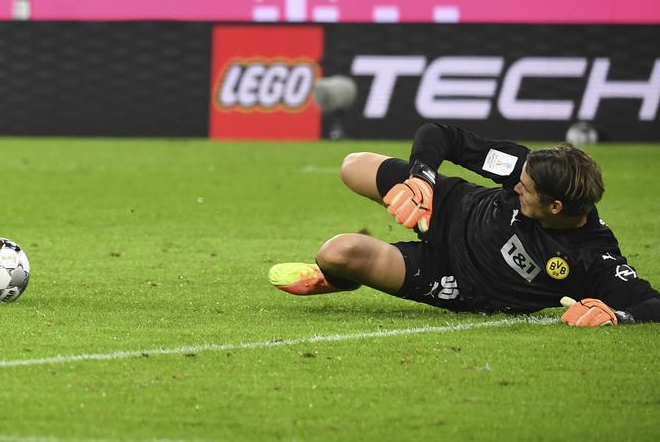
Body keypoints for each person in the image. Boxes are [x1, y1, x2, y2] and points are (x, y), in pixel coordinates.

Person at [269, 122, 660, 327]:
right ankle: (417, 197)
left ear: (555, 207)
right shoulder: (525, 167)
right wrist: (422, 179)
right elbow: (441, 135)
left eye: (525, 190)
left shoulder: (595, 258)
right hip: (451, 206)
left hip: (460, 280)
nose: (517, 187)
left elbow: (653, 304)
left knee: (336, 253)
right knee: (352, 166)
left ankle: (340, 278)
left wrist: (618, 316)